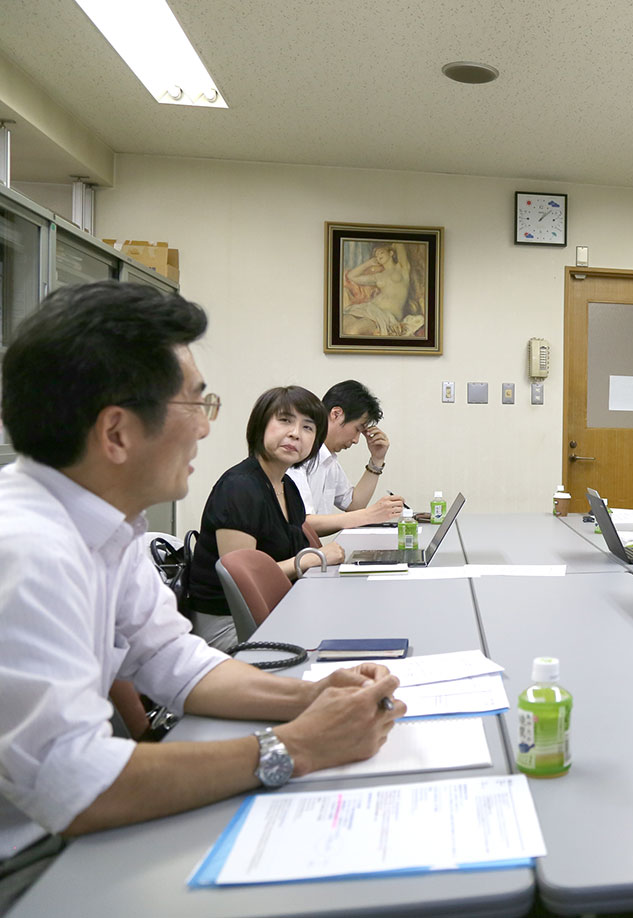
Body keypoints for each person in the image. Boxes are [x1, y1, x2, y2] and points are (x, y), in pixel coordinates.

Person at [0, 282, 403, 910]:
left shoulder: (110, 523)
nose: (207, 425)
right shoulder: (27, 549)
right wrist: (296, 745)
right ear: (117, 432)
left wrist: (311, 697)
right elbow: (75, 788)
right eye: (195, 402)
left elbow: (175, 662)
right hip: (30, 863)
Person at [185, 386, 344, 650]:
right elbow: (241, 580)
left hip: (275, 608)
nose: (295, 433)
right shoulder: (239, 487)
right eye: (284, 421)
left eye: (308, 428)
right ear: (260, 426)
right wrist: (317, 558)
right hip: (228, 623)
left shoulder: (286, 486)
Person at [286, 379, 403, 536]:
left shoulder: (328, 459)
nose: (355, 440)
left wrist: (376, 459)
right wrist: (370, 515)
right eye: (357, 429)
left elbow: (353, 505)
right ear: (336, 414)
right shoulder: (299, 455)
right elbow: (303, 523)